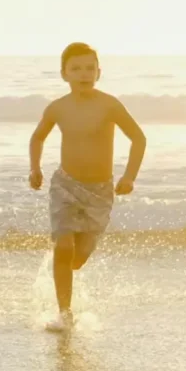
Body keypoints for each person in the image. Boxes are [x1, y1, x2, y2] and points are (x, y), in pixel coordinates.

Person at [29, 42, 146, 330]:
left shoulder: (109, 104)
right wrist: (35, 168)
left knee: (78, 259)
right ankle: (65, 313)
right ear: (64, 74)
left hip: (100, 191)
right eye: (76, 68)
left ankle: (60, 272)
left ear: (99, 72)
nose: (84, 74)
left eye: (90, 68)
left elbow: (138, 138)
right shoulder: (58, 108)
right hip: (65, 185)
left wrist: (129, 176)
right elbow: (37, 138)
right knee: (64, 246)